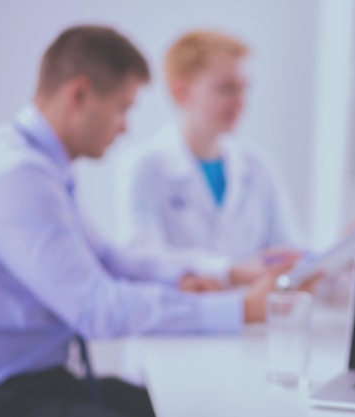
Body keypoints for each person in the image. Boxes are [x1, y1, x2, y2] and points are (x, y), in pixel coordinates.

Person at [0, 25, 314, 417]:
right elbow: (97, 309)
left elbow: (108, 258)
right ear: (79, 94)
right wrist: (239, 309)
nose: (125, 126)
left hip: (41, 377)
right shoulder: (19, 176)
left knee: (168, 404)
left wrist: (215, 275)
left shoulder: (42, 166)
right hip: (1, 393)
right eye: (122, 108)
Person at [117, 29, 306, 289]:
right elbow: (143, 258)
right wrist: (232, 271)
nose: (241, 102)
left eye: (244, 89)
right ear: (182, 91)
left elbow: (289, 250)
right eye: (227, 89)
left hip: (254, 324)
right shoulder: (144, 166)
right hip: (181, 322)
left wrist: (335, 257)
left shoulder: (258, 165)